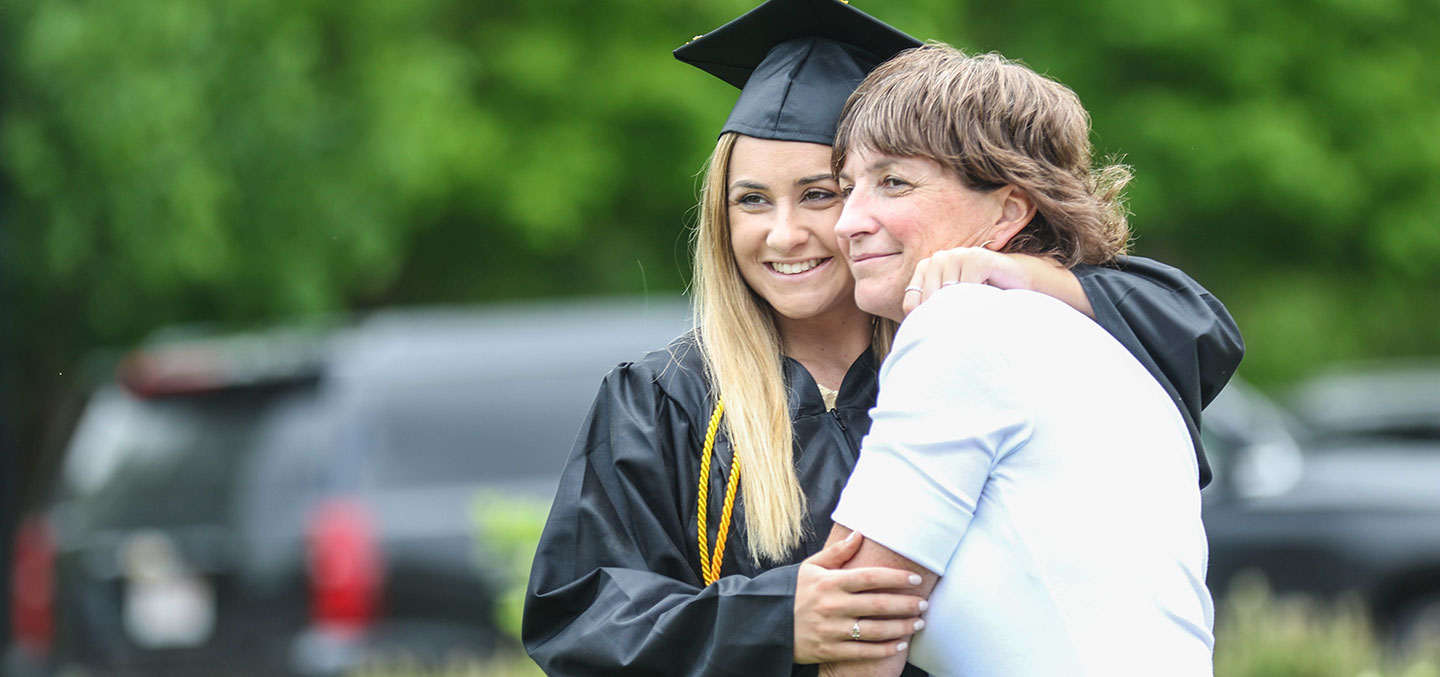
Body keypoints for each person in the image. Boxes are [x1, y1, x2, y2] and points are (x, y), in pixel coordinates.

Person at [522, 2, 1241, 675]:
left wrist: (1009, 268)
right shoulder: (666, 399)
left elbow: (1191, 325)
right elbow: (578, 615)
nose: (786, 233)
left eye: (821, 193)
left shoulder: (968, 350)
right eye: (751, 201)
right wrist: (772, 619)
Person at [823, 45, 1217, 677]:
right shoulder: (1099, 347)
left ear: (1008, 210)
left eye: (893, 182)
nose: (847, 222)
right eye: (846, 189)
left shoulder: (959, 325)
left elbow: (862, 619)